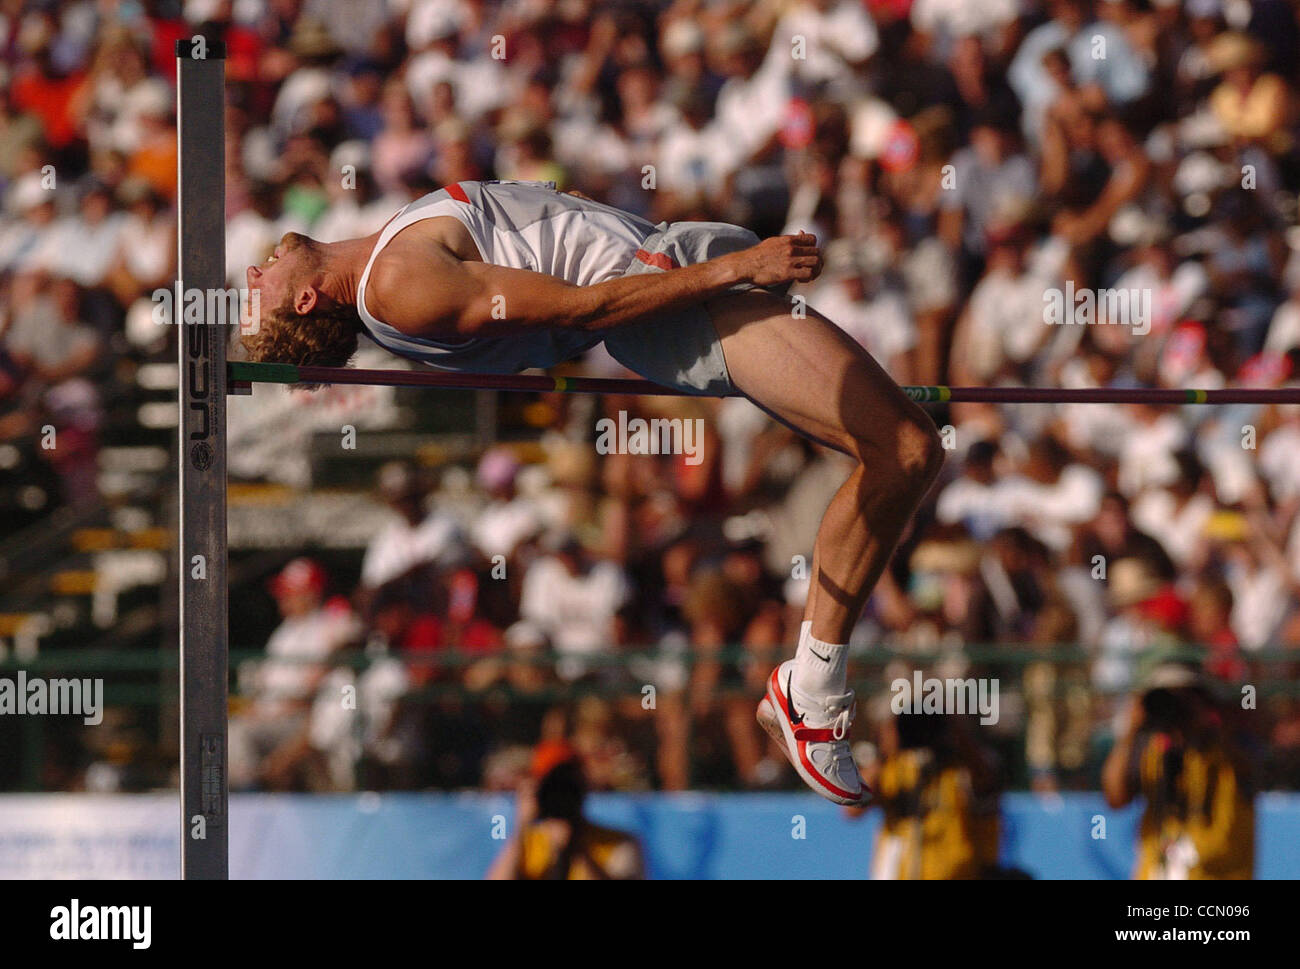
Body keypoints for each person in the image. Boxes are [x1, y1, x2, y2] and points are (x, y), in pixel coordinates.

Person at [240, 177, 946, 805]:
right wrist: (741, 265)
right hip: (673, 304)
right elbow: (580, 310)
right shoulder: (397, 283)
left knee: (908, 448)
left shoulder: (390, 259)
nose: (251, 268)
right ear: (306, 299)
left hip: (666, 269)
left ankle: (812, 685)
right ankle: (811, 691)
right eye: (257, 291)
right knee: (904, 451)